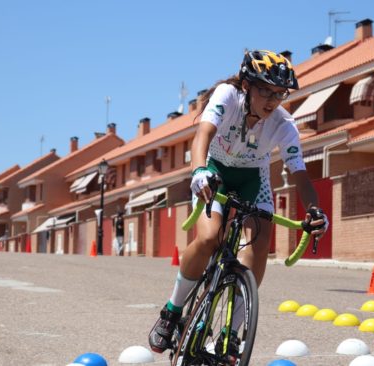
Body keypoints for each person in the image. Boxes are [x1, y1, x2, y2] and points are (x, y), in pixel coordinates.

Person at [148, 49, 328, 355]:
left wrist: (315, 211)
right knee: (208, 238)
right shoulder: (227, 95)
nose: (273, 100)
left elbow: (300, 173)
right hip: (215, 169)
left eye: (280, 94)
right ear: (246, 85)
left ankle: (232, 333)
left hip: (251, 178)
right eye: (265, 91)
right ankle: (172, 311)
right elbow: (202, 134)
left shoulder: (284, 125)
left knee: (259, 246)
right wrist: (200, 171)